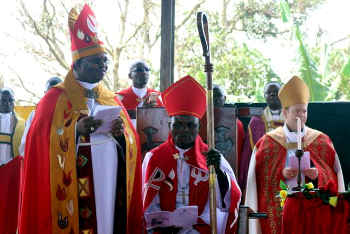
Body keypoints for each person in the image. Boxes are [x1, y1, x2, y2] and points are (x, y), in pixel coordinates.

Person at [19, 4, 143, 234]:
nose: (103, 66)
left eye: (105, 61)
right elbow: (34, 145)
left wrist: (121, 135)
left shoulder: (111, 99)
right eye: (97, 61)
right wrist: (74, 131)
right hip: (73, 184)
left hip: (109, 178)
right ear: (78, 64)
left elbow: (132, 140)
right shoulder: (54, 100)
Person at [245, 76, 345, 234]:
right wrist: (281, 174)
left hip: (312, 215)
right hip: (281, 215)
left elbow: (335, 179)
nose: (301, 116)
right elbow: (257, 184)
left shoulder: (322, 141)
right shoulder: (267, 144)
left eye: (304, 111)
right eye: (296, 111)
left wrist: (317, 175)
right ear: (285, 112)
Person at [143, 76, 241, 233]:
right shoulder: (154, 158)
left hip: (199, 229)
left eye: (190, 125)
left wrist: (219, 173)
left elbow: (229, 198)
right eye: (178, 125)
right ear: (170, 125)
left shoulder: (212, 157)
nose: (184, 130)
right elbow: (147, 201)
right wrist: (161, 226)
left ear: (198, 127)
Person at [239, 81, 284, 192]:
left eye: (276, 92)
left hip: (286, 168)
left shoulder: (291, 119)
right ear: (264, 96)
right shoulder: (257, 121)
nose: (273, 95)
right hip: (264, 170)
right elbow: (248, 152)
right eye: (269, 92)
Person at [19, 76, 62, 156]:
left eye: (57, 93)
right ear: (45, 94)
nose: (53, 97)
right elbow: (25, 143)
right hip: (40, 157)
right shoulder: (34, 115)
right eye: (50, 93)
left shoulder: (70, 114)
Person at [117, 60, 163, 127]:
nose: (144, 72)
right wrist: (142, 111)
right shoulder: (120, 97)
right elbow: (115, 118)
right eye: (139, 70)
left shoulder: (158, 96)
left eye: (147, 70)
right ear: (130, 76)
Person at [213, 84, 245, 170]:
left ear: (224, 98)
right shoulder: (200, 123)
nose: (215, 99)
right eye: (211, 96)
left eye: (218, 96)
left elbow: (240, 153)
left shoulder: (237, 124)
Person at [0, 88, 25, 165]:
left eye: (10, 100)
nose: (7, 104)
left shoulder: (21, 124)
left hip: (12, 167)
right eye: (3, 100)